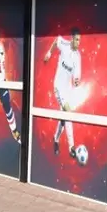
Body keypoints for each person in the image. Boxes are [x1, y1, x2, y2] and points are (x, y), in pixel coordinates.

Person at [43, 28, 83, 163]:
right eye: (77, 39)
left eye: (79, 40)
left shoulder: (78, 56)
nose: (78, 42)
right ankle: (72, 146)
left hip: (68, 90)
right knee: (67, 112)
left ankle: (56, 138)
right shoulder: (64, 44)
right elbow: (56, 41)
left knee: (63, 117)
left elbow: (77, 77)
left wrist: (76, 81)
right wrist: (49, 53)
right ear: (72, 38)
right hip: (58, 87)